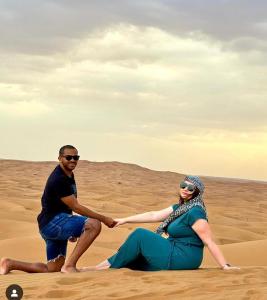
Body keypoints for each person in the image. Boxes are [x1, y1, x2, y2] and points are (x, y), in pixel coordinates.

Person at [0, 145, 116, 274]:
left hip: (53, 223)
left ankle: (10, 263)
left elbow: (68, 204)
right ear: (60, 158)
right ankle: (70, 265)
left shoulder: (68, 175)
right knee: (94, 224)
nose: (73, 160)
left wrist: (71, 229)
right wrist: (104, 219)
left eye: (75, 157)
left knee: (53, 269)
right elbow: (76, 206)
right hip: (53, 223)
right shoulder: (59, 178)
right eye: (68, 157)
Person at [88, 175, 239, 271]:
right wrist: (125, 219)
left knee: (140, 234)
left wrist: (225, 266)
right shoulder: (179, 208)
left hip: (184, 257)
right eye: (183, 185)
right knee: (134, 257)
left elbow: (209, 242)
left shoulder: (195, 212)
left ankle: (102, 269)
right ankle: (98, 268)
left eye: (191, 188)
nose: (186, 189)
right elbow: (154, 215)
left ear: (197, 192)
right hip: (173, 250)